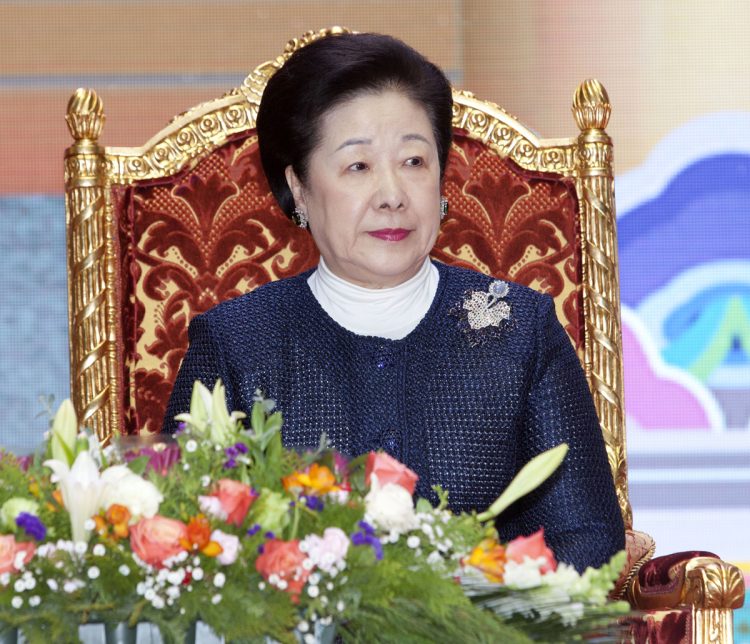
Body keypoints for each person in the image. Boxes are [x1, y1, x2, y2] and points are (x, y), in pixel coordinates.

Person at [163, 32, 624, 571]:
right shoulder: (237, 343)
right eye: (358, 167)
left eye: (413, 162)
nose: (392, 194)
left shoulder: (519, 330)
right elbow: (191, 538)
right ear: (301, 189)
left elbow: (588, 540)